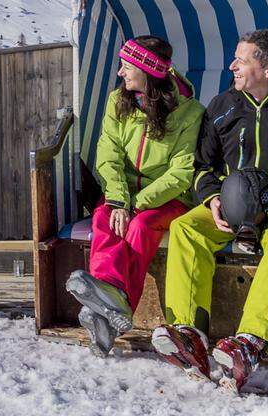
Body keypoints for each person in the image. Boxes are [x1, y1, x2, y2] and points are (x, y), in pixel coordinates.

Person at [152, 30, 268, 392]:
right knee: (187, 227)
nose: (232, 66)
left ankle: (251, 341)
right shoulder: (223, 107)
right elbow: (202, 168)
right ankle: (189, 333)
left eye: (242, 60)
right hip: (232, 209)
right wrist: (212, 199)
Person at [66, 36, 204, 357]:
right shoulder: (119, 100)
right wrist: (118, 200)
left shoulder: (190, 113)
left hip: (170, 198)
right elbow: (108, 152)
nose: (120, 72)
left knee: (140, 226)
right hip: (124, 194)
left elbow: (182, 171)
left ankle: (109, 310)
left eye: (127, 66)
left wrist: (137, 204)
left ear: (147, 70)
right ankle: (113, 305)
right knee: (104, 216)